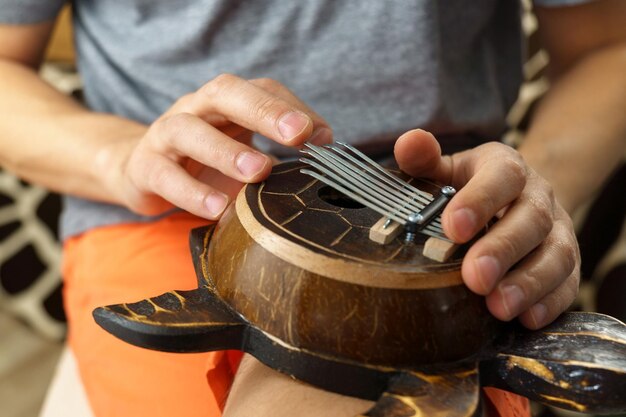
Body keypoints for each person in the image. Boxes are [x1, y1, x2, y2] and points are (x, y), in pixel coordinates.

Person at [0, 0, 624, 416]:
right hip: (177, 203)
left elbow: (607, 48)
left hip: (443, 214)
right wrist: (125, 157)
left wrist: (531, 196)